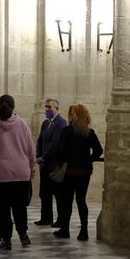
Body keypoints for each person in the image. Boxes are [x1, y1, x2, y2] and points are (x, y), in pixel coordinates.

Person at [0, 94, 36, 250]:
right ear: (13, 106)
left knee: (2, 209)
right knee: (20, 206)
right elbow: (30, 149)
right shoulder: (22, 125)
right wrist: (32, 167)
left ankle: (7, 240)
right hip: (20, 172)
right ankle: (23, 236)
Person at [51, 103, 103, 240]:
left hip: (70, 171)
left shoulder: (67, 131)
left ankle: (65, 230)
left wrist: (63, 160)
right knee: (81, 200)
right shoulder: (89, 132)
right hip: (85, 172)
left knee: (67, 201)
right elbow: (99, 151)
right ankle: (84, 231)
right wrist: (88, 160)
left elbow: (60, 151)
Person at [34, 98, 68, 226]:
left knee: (58, 194)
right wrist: (38, 155)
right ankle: (46, 218)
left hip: (53, 164)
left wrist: (44, 157)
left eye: (49, 107)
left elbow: (56, 144)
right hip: (44, 164)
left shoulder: (61, 123)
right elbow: (40, 140)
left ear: (56, 108)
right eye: (46, 107)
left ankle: (60, 220)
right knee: (44, 193)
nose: (47, 109)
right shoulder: (45, 123)